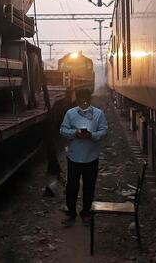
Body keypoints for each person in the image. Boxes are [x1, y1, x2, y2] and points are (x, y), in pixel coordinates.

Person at [59, 87, 108, 225]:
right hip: (74, 157)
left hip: (91, 157)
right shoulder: (70, 114)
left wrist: (92, 135)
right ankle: (71, 213)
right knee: (72, 186)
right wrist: (75, 133)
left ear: (90, 99)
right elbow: (63, 129)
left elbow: (104, 130)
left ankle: (86, 213)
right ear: (77, 100)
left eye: (86, 100)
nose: (84, 102)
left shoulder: (98, 114)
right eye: (81, 100)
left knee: (89, 186)